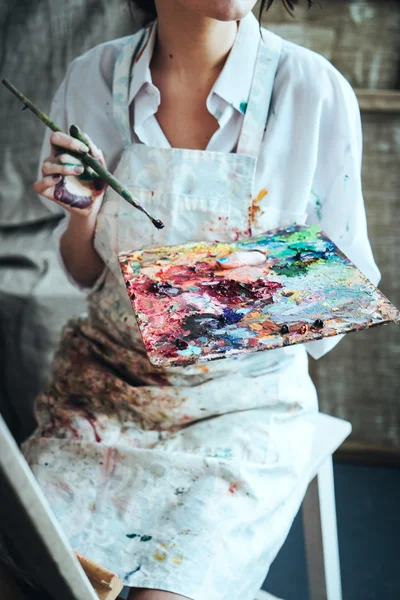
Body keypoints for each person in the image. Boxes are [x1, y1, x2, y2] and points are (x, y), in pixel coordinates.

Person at [22, 1, 380, 599]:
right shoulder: (91, 78)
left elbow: (344, 285)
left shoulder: (313, 92)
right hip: (102, 397)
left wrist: (182, 303)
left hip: (245, 412)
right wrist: (79, 218)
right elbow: (84, 274)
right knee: (32, 578)